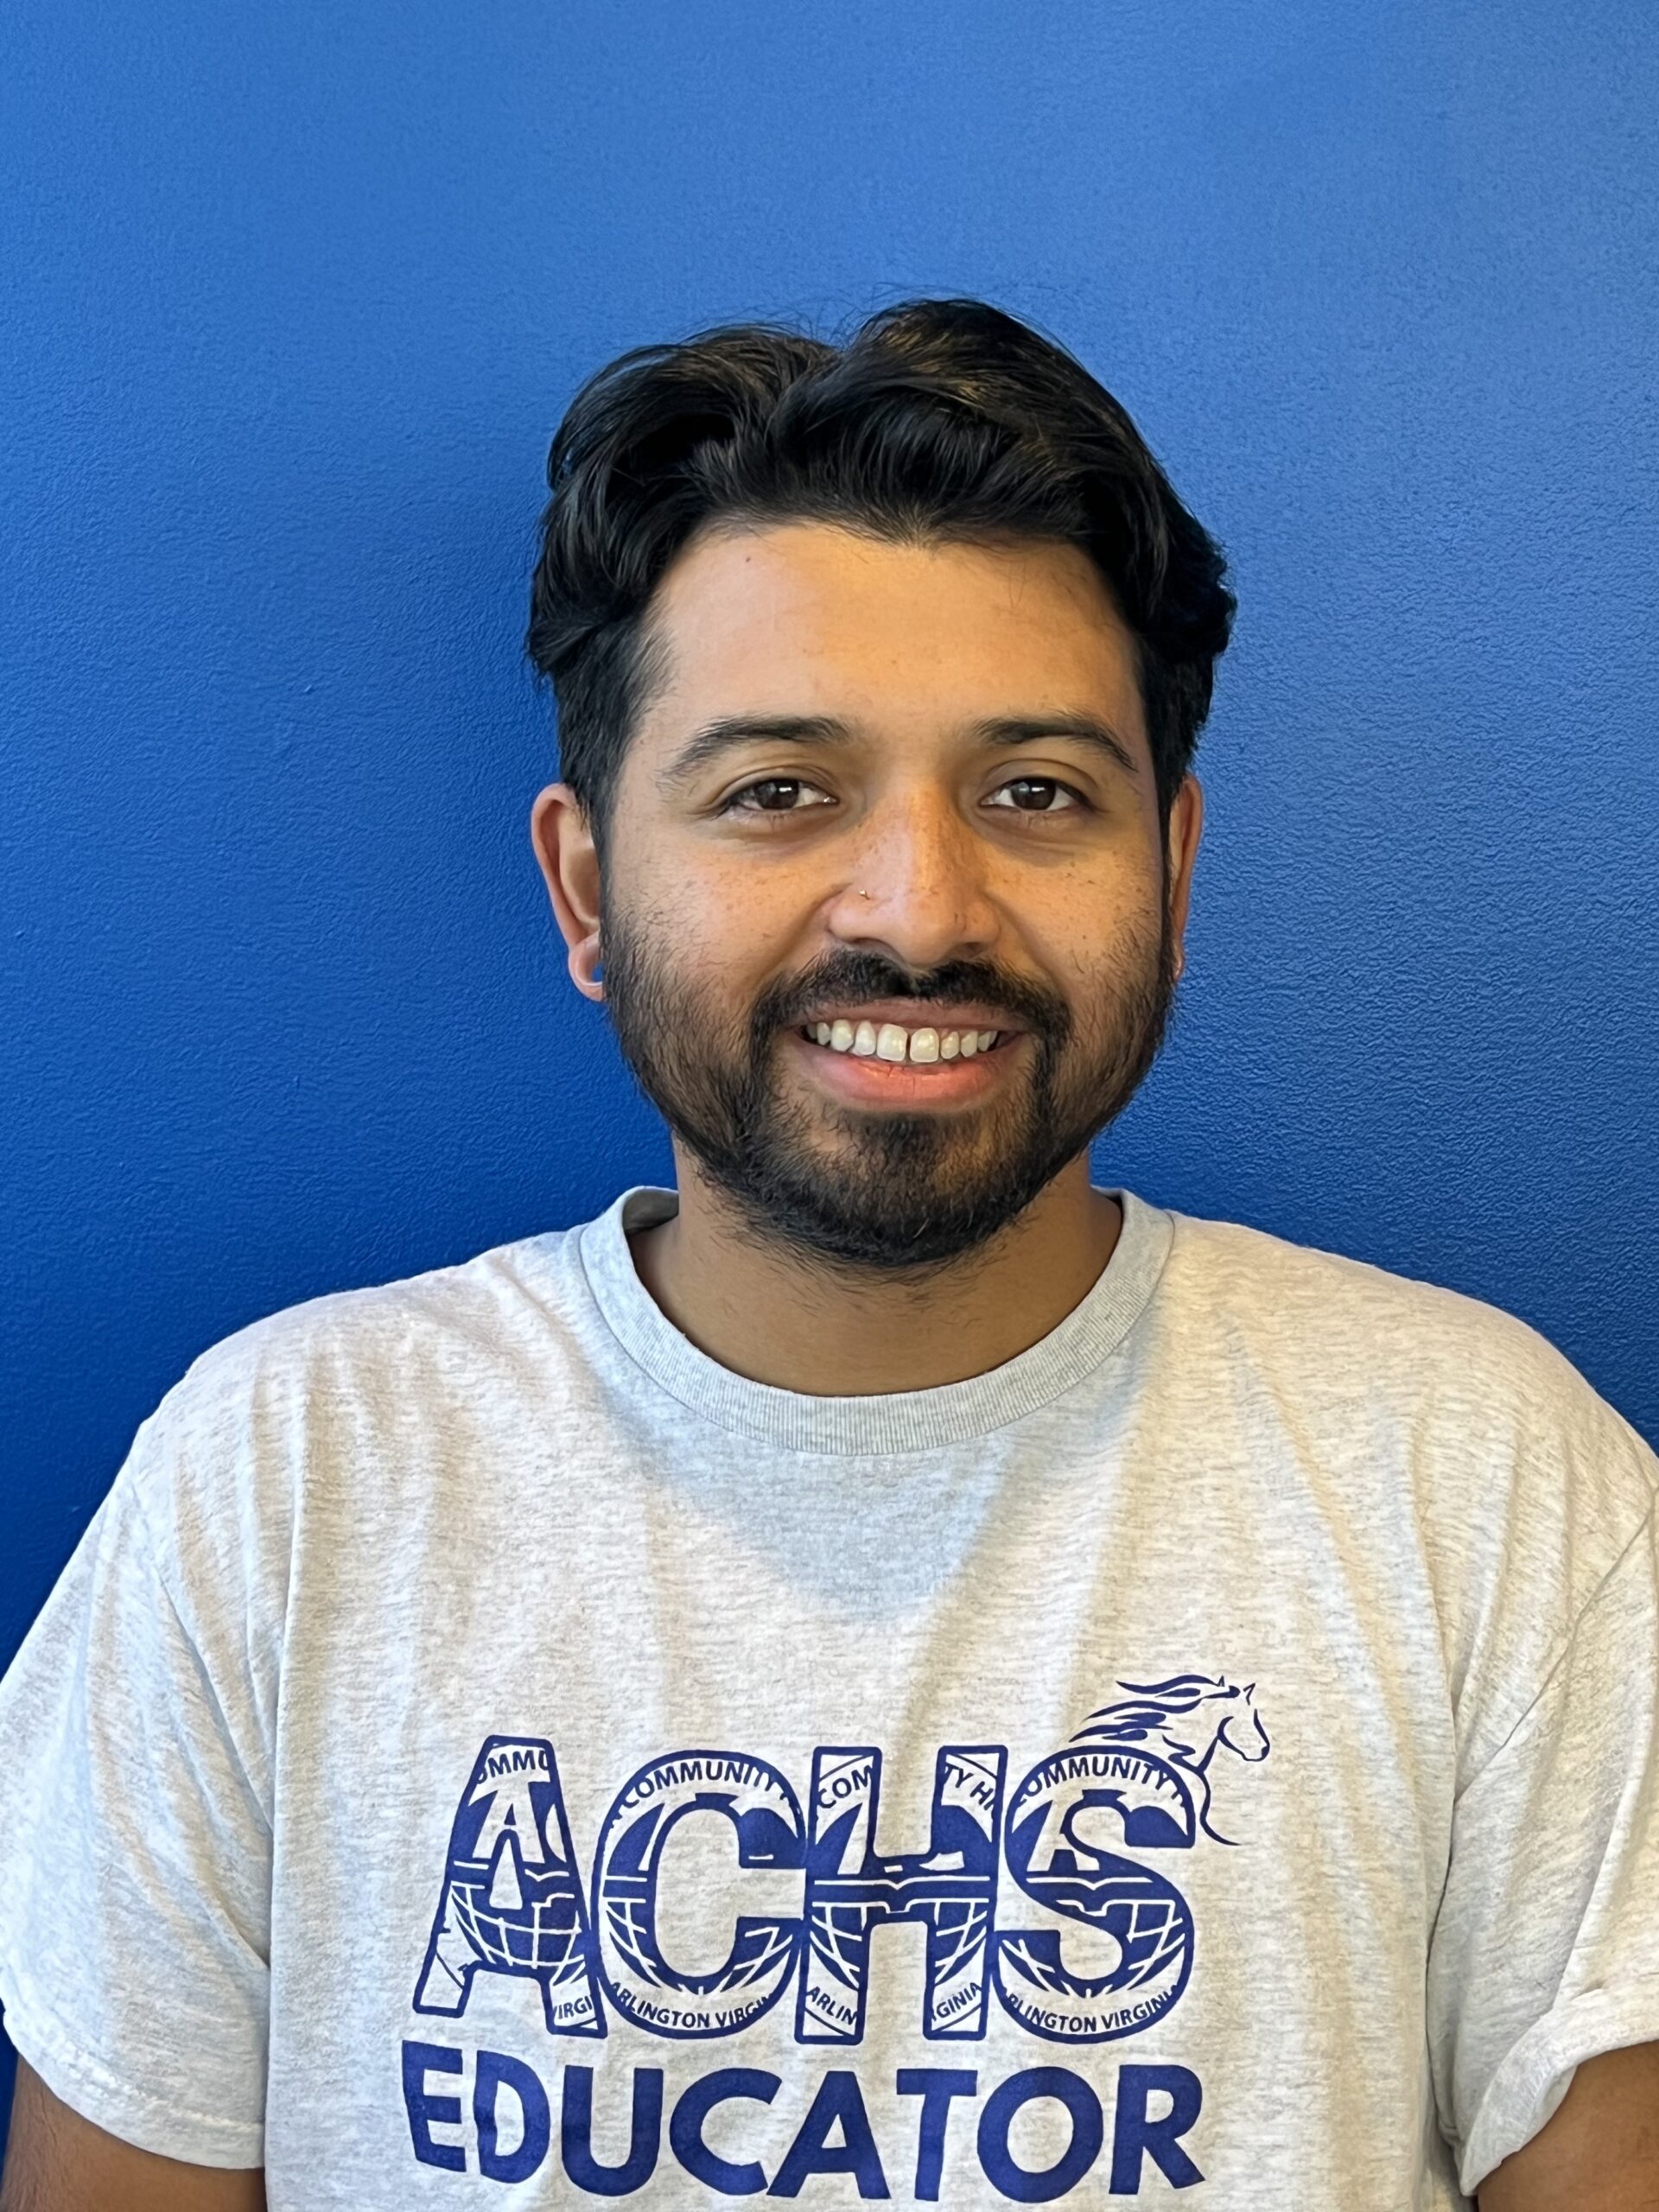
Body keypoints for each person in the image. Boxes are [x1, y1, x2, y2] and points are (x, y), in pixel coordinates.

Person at [0, 299, 1654, 2212]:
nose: (921, 911)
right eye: (779, 790)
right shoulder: (280, 1481)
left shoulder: (1488, 1486)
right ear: (587, 886)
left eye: (1035, 792)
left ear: (1175, 869)